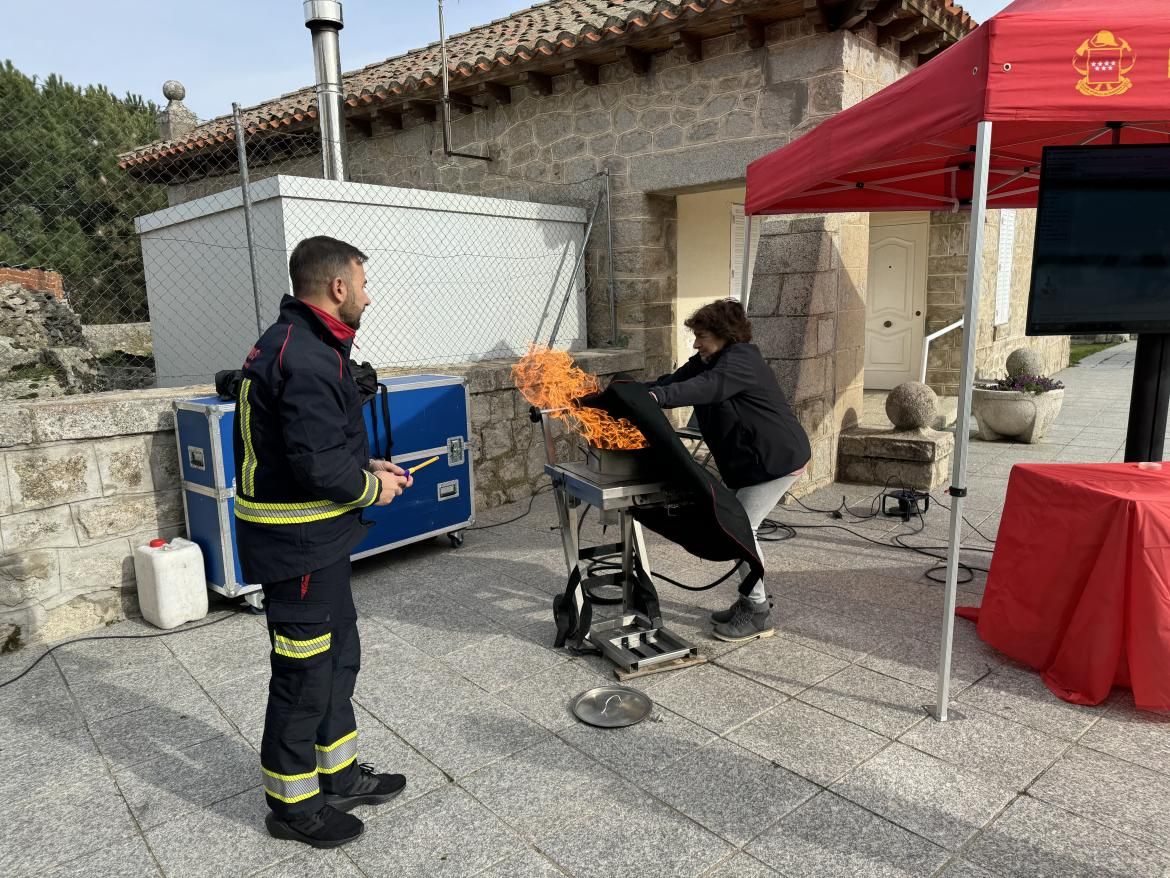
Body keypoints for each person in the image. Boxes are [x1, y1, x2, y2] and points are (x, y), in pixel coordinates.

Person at [233, 235, 412, 849]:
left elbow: (320, 447)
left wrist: (372, 469)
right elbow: (317, 469)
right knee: (304, 675)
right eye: (363, 283)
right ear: (338, 288)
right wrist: (372, 490)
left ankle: (337, 775)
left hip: (321, 539)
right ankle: (292, 807)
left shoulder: (310, 345)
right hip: (298, 545)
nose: (368, 294)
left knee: (339, 658)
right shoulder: (305, 356)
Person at [647, 299, 811, 643]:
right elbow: (676, 380)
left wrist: (658, 398)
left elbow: (707, 388)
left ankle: (757, 612)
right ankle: (750, 601)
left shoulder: (741, 360)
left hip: (777, 460)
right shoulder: (710, 360)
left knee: (740, 531)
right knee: (735, 530)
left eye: (701, 336)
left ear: (723, 334)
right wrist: (636, 392)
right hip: (754, 463)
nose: (695, 343)